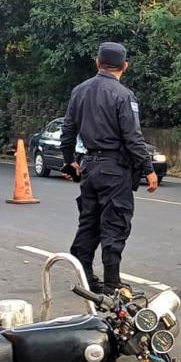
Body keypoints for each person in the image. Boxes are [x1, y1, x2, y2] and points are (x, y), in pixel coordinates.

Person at [60, 42, 158, 293]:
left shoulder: (79, 91)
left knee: (89, 222)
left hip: (89, 166)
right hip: (115, 169)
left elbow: (68, 129)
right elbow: (133, 137)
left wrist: (69, 160)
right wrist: (148, 169)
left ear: (97, 62)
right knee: (115, 224)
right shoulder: (123, 95)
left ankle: (86, 278)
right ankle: (112, 283)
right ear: (125, 66)